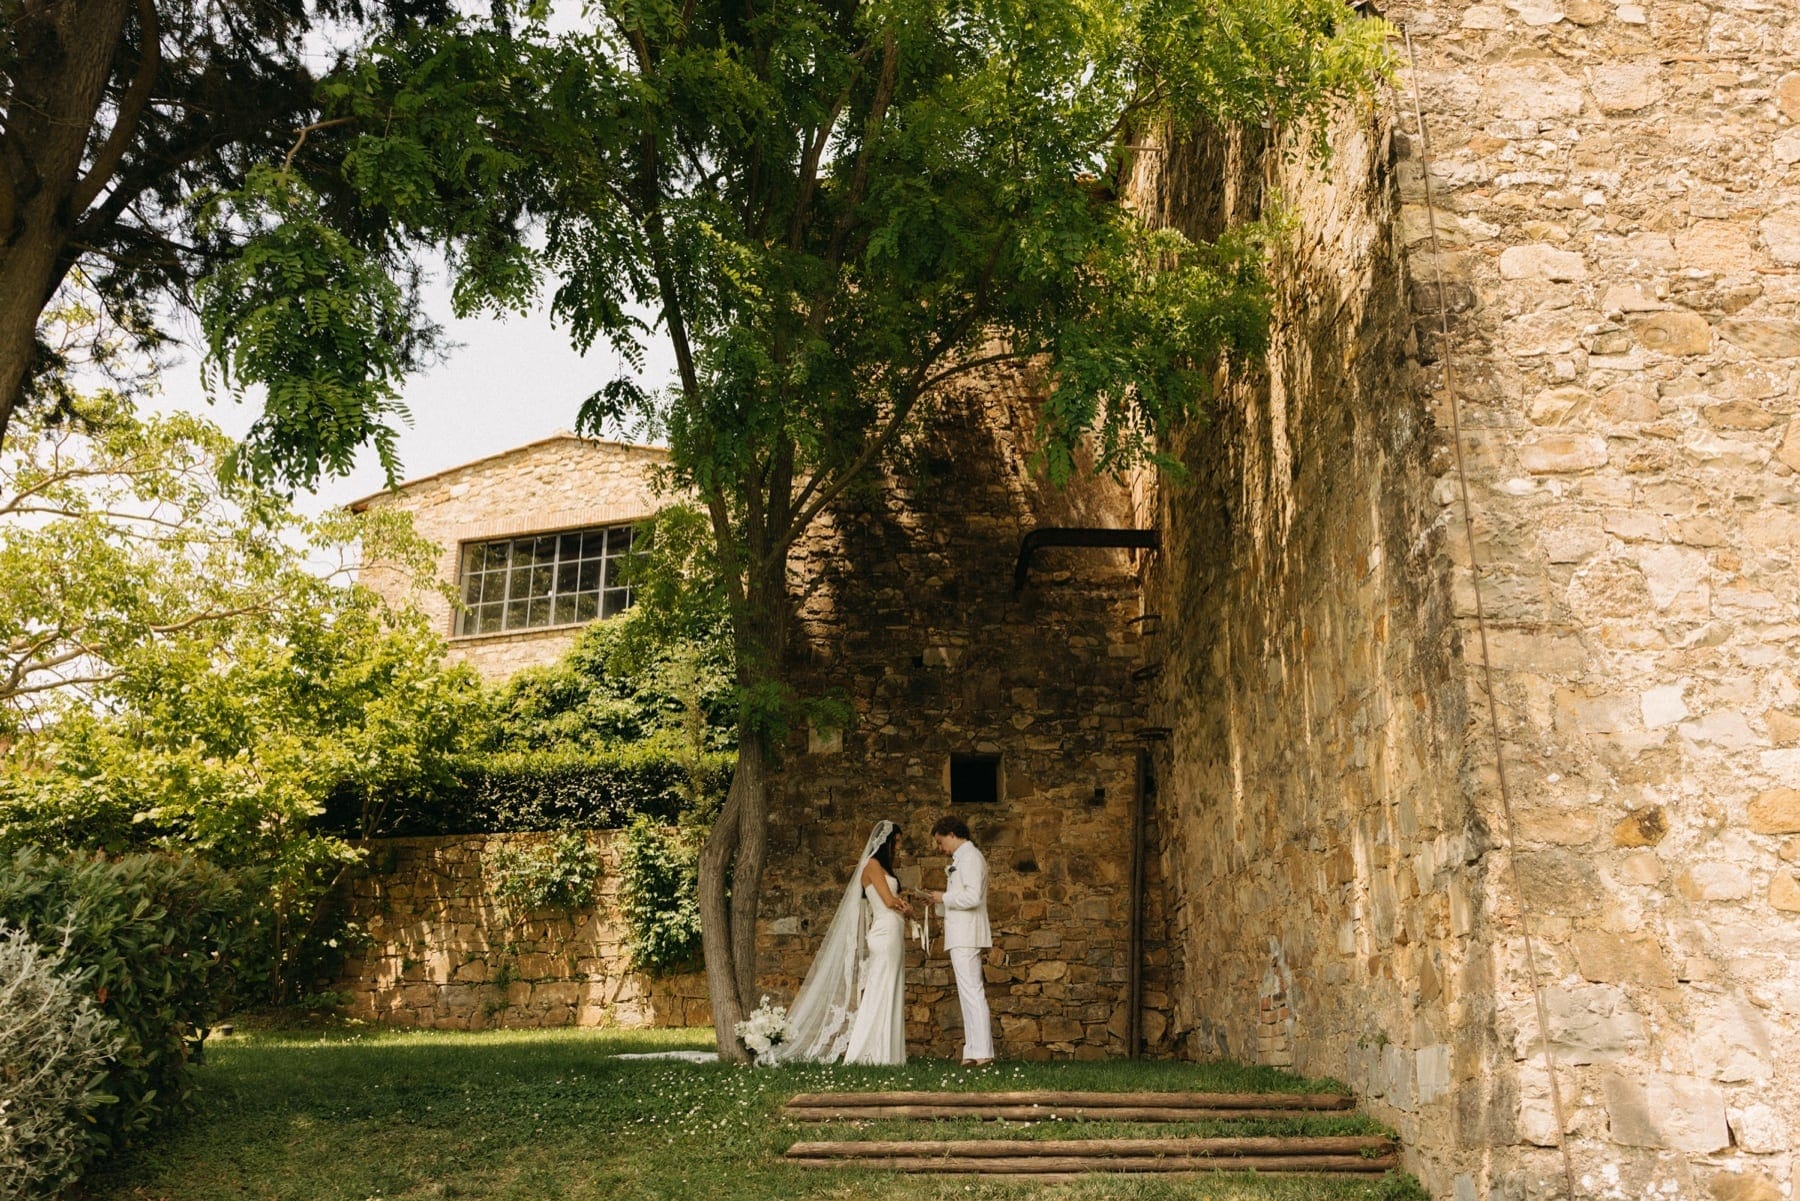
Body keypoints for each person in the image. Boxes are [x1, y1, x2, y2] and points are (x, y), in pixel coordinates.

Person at [769, 820, 913, 1065]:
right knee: (880, 989)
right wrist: (904, 906)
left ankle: (889, 1053)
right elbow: (889, 901)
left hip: (893, 931)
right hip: (884, 932)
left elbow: (894, 900)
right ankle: (868, 1051)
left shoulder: (884, 868)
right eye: (896, 842)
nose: (898, 847)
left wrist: (905, 906)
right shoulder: (872, 865)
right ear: (886, 841)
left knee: (891, 987)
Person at [923, 814, 994, 1066]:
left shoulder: (971, 857)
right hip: (961, 932)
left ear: (952, 834)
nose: (940, 848)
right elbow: (960, 897)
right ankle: (973, 1050)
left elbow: (973, 897)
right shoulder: (962, 858)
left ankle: (983, 1052)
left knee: (972, 991)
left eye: (940, 841)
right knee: (967, 993)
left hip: (967, 933)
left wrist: (943, 897)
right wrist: (938, 900)